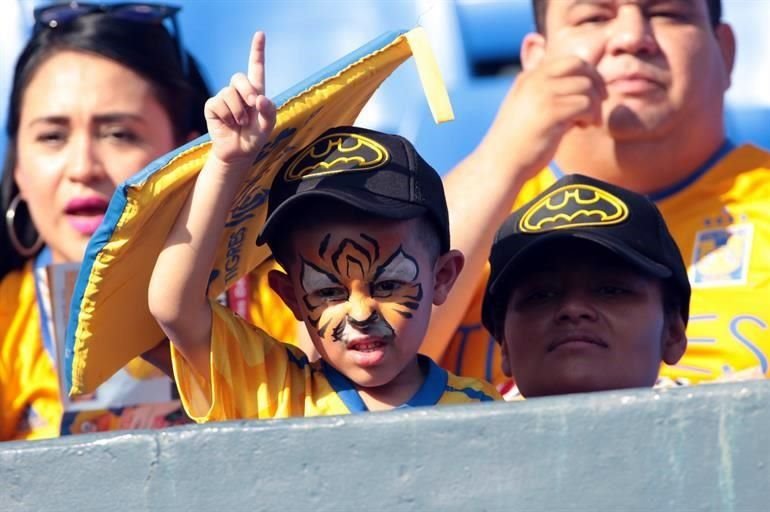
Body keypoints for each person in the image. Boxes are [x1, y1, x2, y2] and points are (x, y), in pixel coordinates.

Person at [147, 32, 501, 421]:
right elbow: (172, 306)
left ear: (444, 276)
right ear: (291, 297)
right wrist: (227, 163)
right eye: (329, 291)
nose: (361, 312)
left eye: (386, 285)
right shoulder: (273, 389)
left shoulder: (479, 411)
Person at [424, 0, 770, 388]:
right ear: (537, 60)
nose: (632, 38)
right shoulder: (475, 208)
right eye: (594, 17)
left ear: (725, 50)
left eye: (668, 13)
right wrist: (502, 156)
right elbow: (368, 369)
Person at [0, 3, 215, 440]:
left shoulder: (287, 302)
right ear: (18, 164)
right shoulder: (7, 325)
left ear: (188, 156)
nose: (82, 167)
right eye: (52, 136)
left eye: (118, 134)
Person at [481, 173, 689, 398]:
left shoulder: (724, 428)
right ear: (505, 347)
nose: (573, 309)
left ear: (673, 333)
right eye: (541, 295)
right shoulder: (454, 431)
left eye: (611, 290)